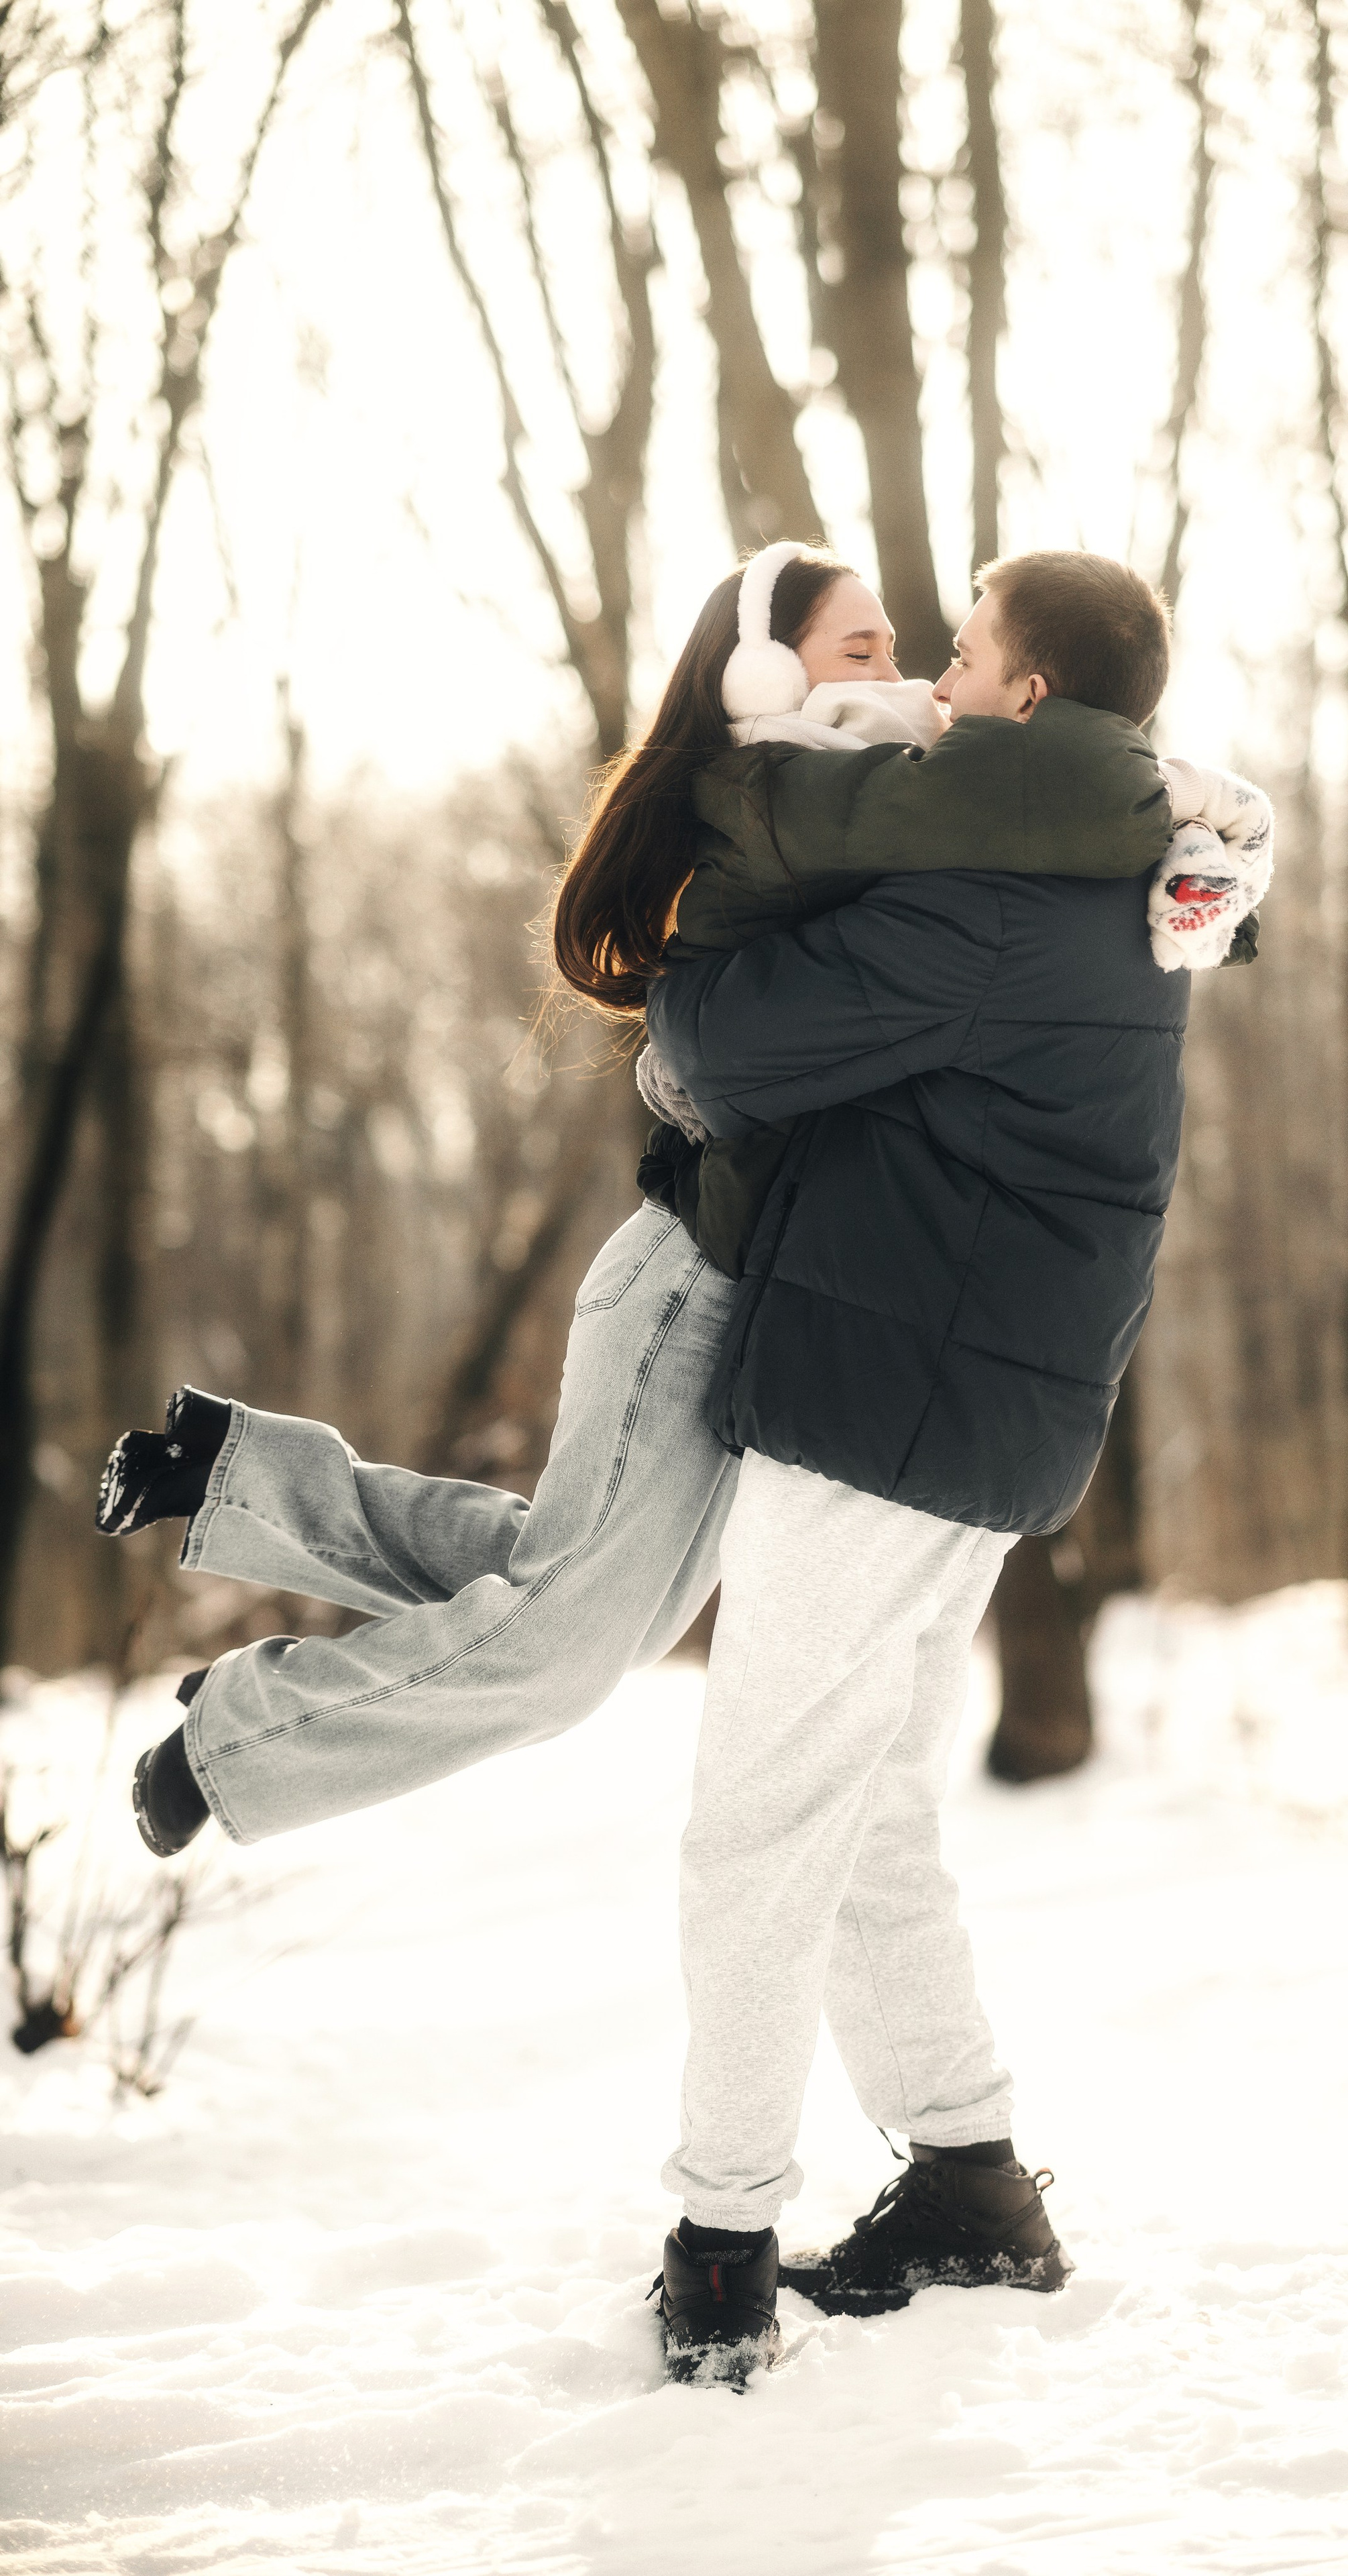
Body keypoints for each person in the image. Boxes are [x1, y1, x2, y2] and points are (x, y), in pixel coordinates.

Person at [101, 545, 1270, 2383]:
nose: (931, 683)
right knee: (847, 1785)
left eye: (957, 655)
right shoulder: (1115, 862)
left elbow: (720, 1045)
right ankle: (969, 2175)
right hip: (979, 1394)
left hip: (886, 1390)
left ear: (1029, 700)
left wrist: (738, 880)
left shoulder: (985, 901)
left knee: (756, 1821)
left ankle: (721, 2234)